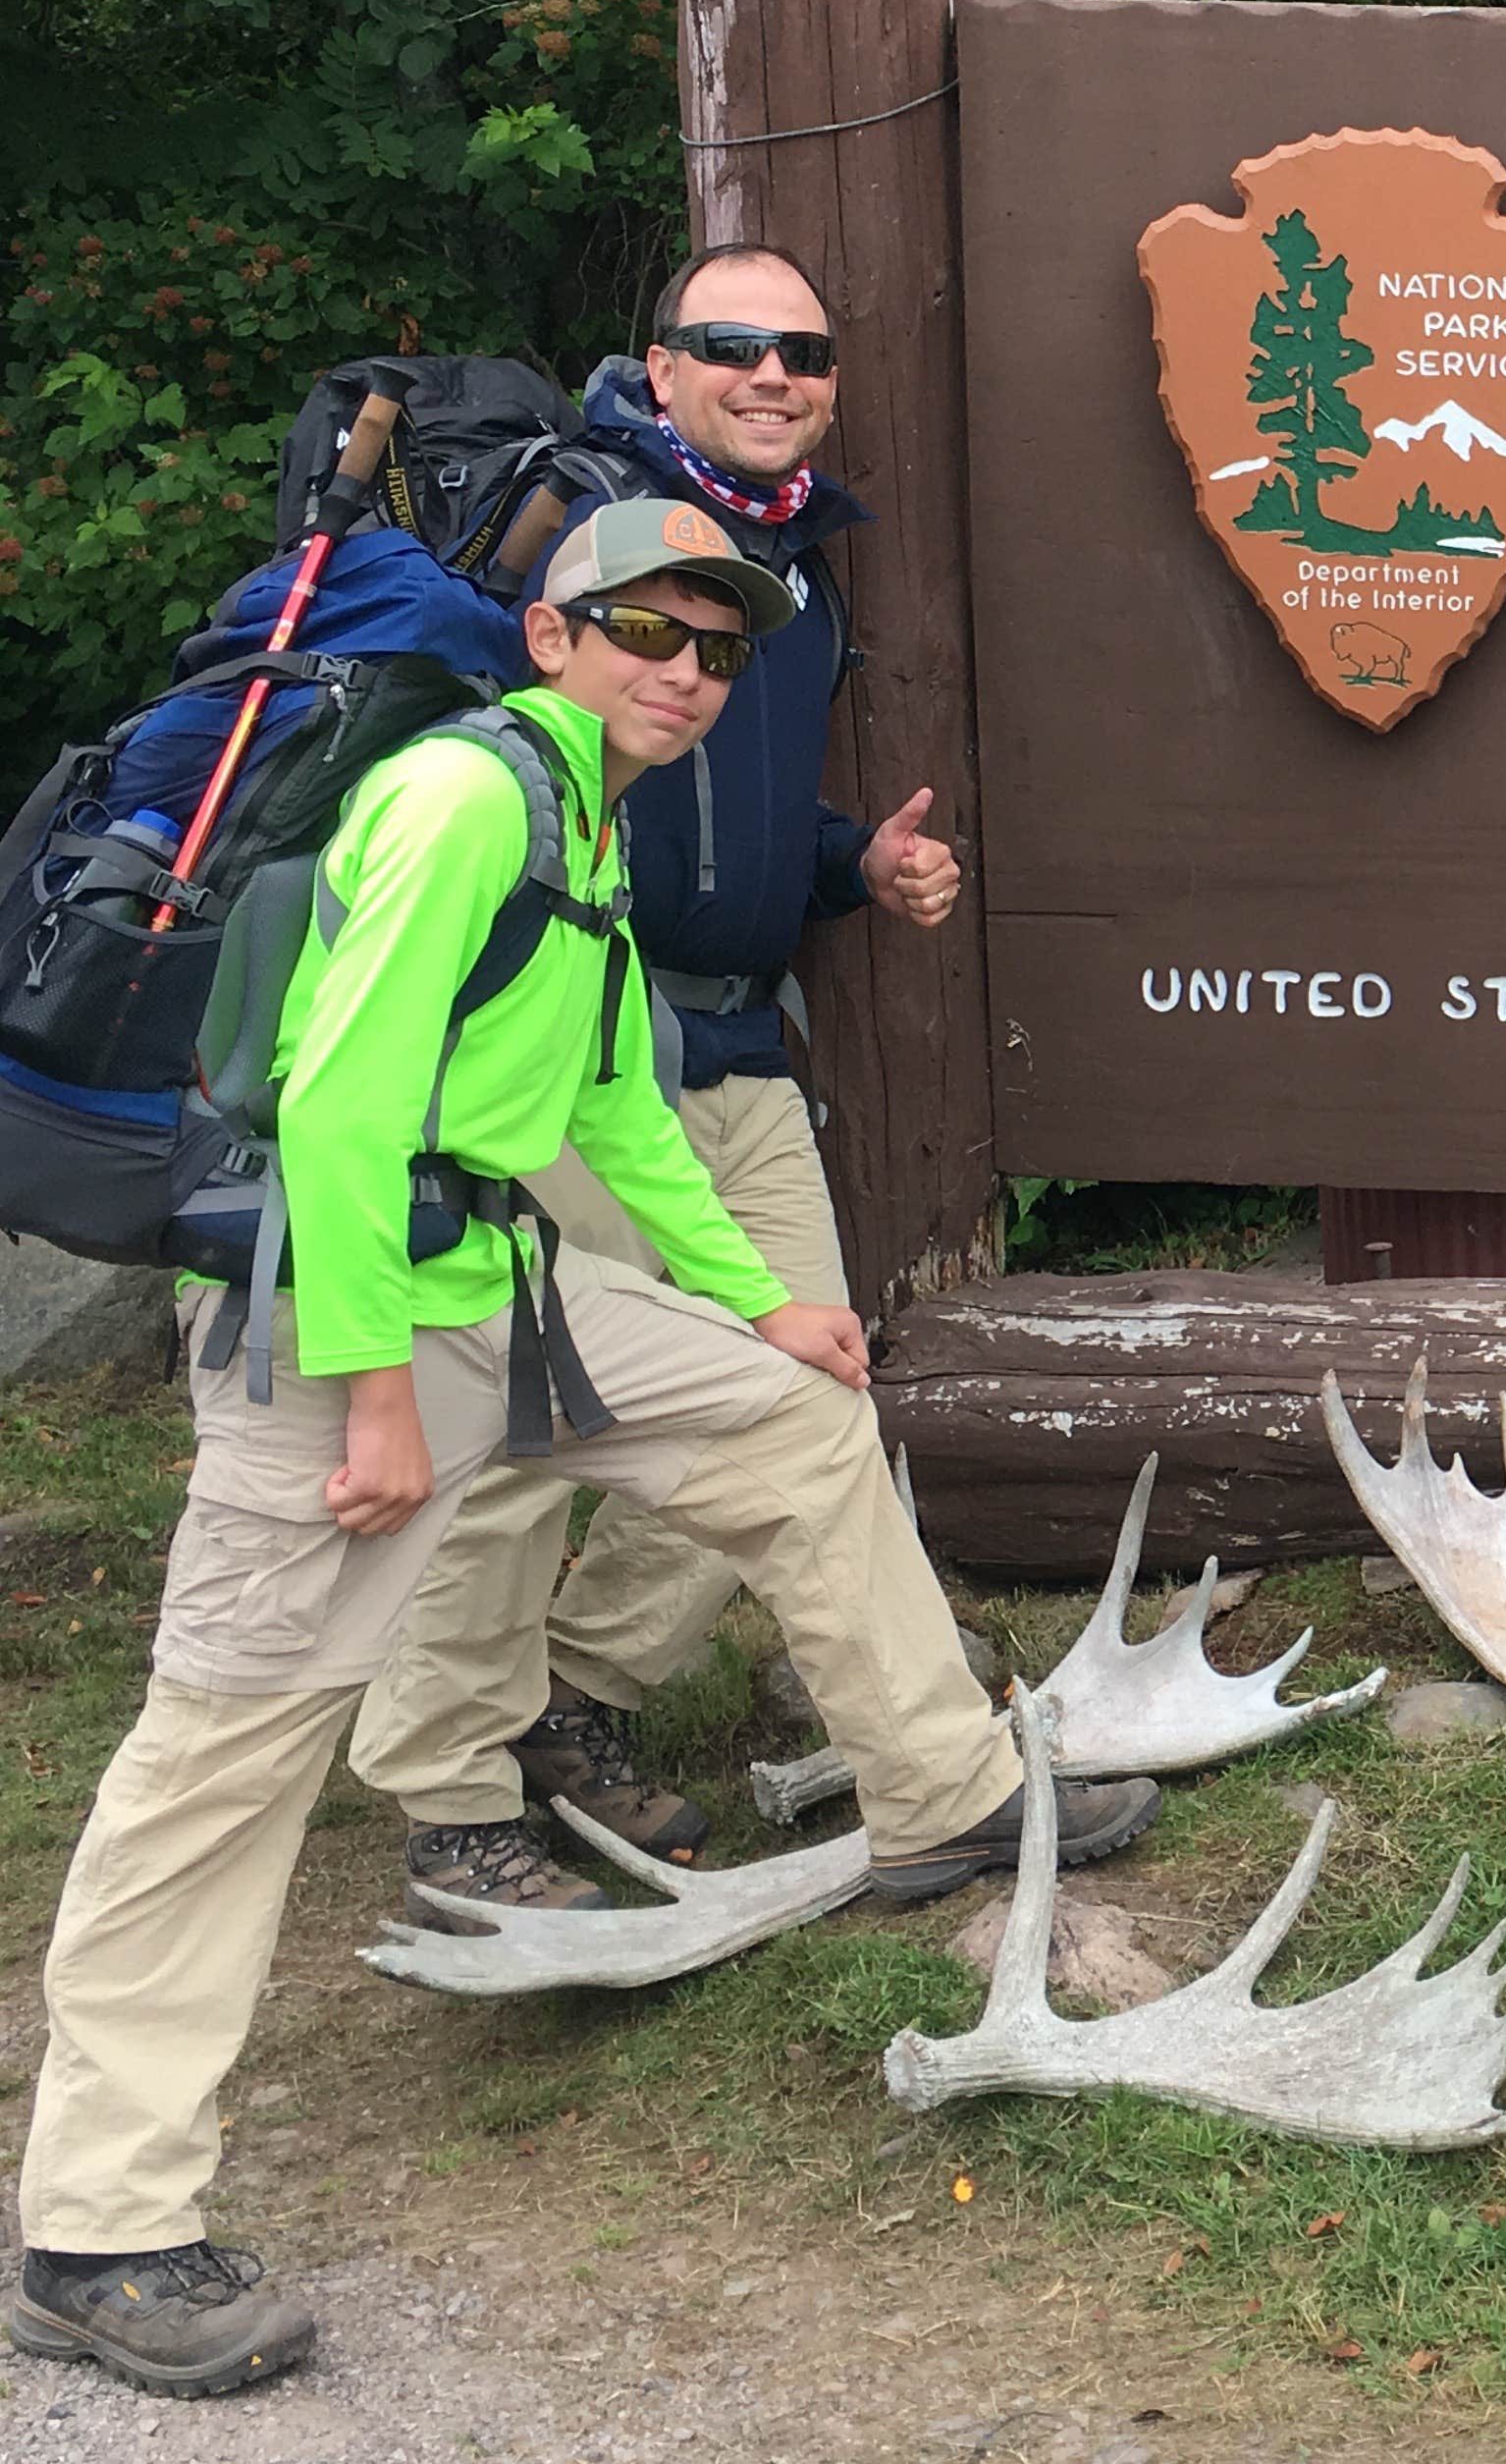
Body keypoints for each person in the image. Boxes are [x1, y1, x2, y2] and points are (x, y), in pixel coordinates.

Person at [8, 503, 1158, 2400]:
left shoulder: (584, 814)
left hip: (511, 1283)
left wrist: (755, 1299)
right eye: (645, 631)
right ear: (551, 635)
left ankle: (940, 1794)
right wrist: (373, 1392)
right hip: (350, 1316)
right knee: (224, 1753)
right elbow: (347, 1102)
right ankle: (100, 2231)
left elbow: (618, 1101)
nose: (685, 672)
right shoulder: (469, 800)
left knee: (798, 1425)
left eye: (714, 647)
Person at [347, 244, 965, 1918]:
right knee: (523, 1439)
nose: (777, 374)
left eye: (807, 351)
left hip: (733, 1052)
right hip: (553, 1072)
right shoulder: (583, 537)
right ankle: (452, 1795)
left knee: (796, 1389)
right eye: (736, 345)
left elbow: (703, 813)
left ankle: (577, 1702)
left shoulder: (791, 580)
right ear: (665, 365)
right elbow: (533, 793)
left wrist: (851, 869)